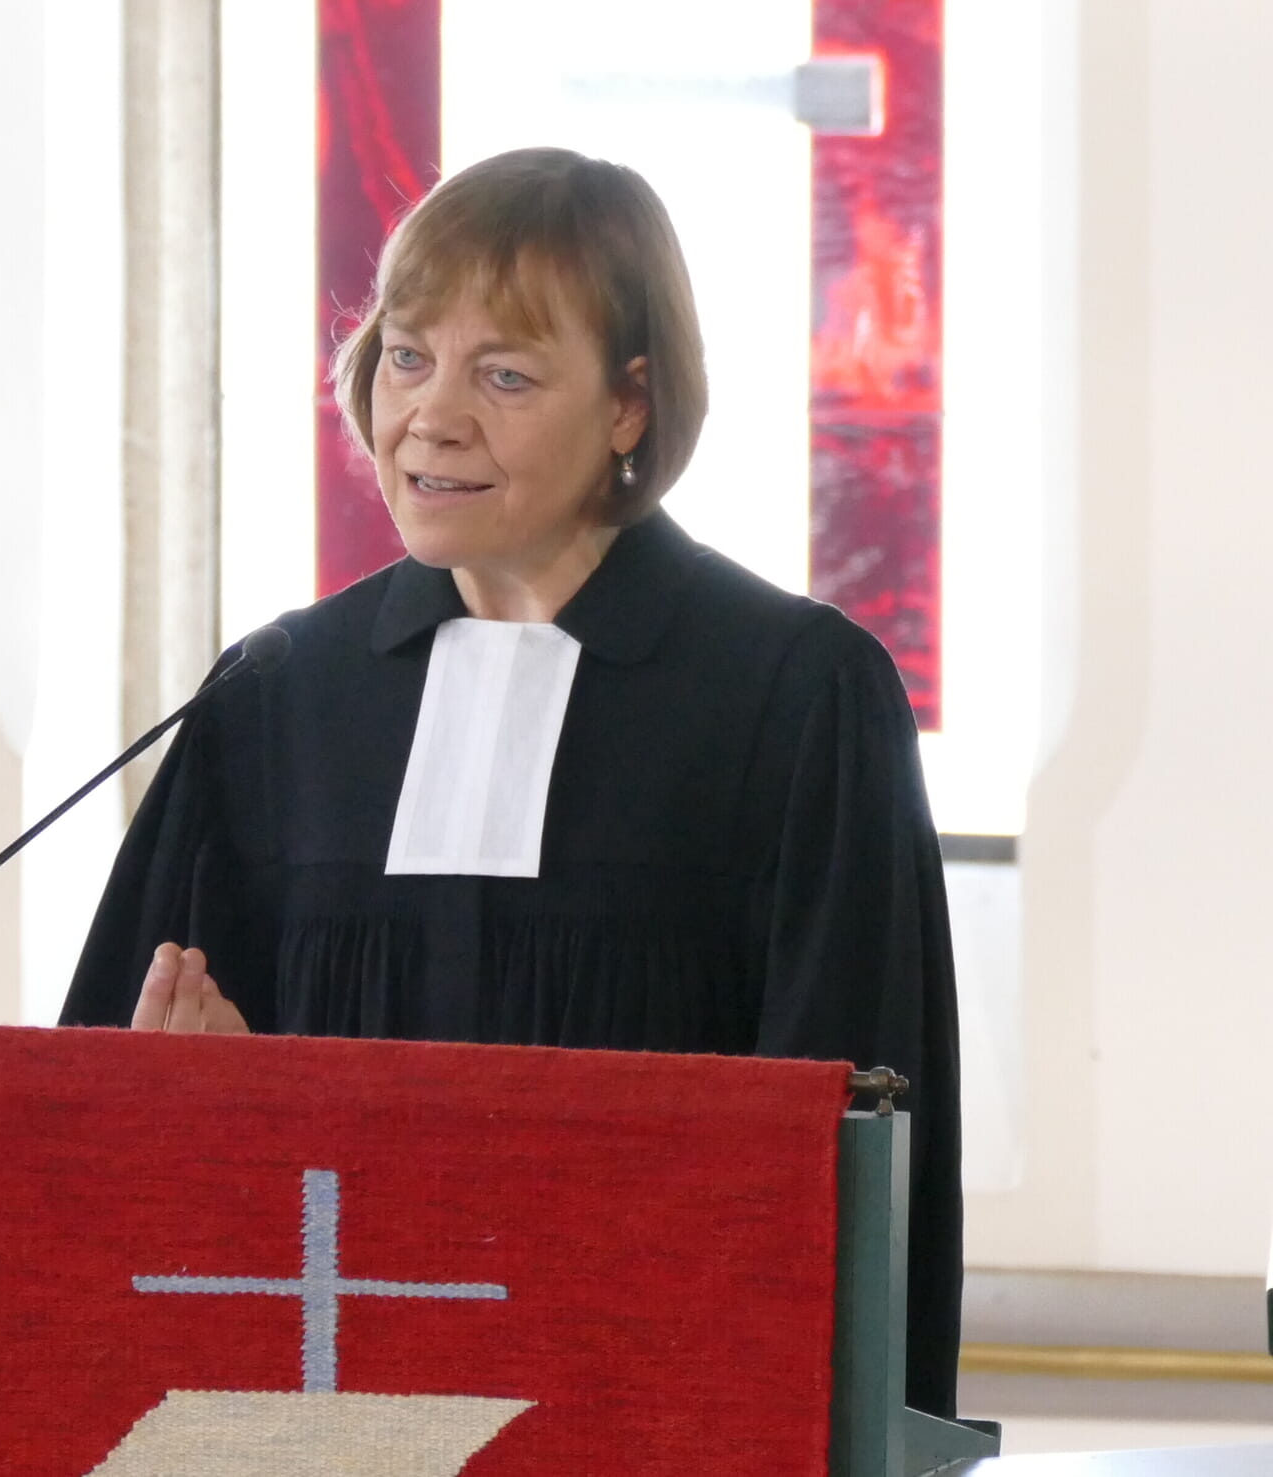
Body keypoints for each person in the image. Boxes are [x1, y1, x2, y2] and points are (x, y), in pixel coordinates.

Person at [60, 146, 963, 1418]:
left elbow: (849, 1155)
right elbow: (97, 1141)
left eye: (506, 375)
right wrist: (217, 1098)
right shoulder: (278, 696)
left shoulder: (792, 696)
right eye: (407, 356)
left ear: (630, 405)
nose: (431, 418)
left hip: (651, 1411)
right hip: (323, 1416)